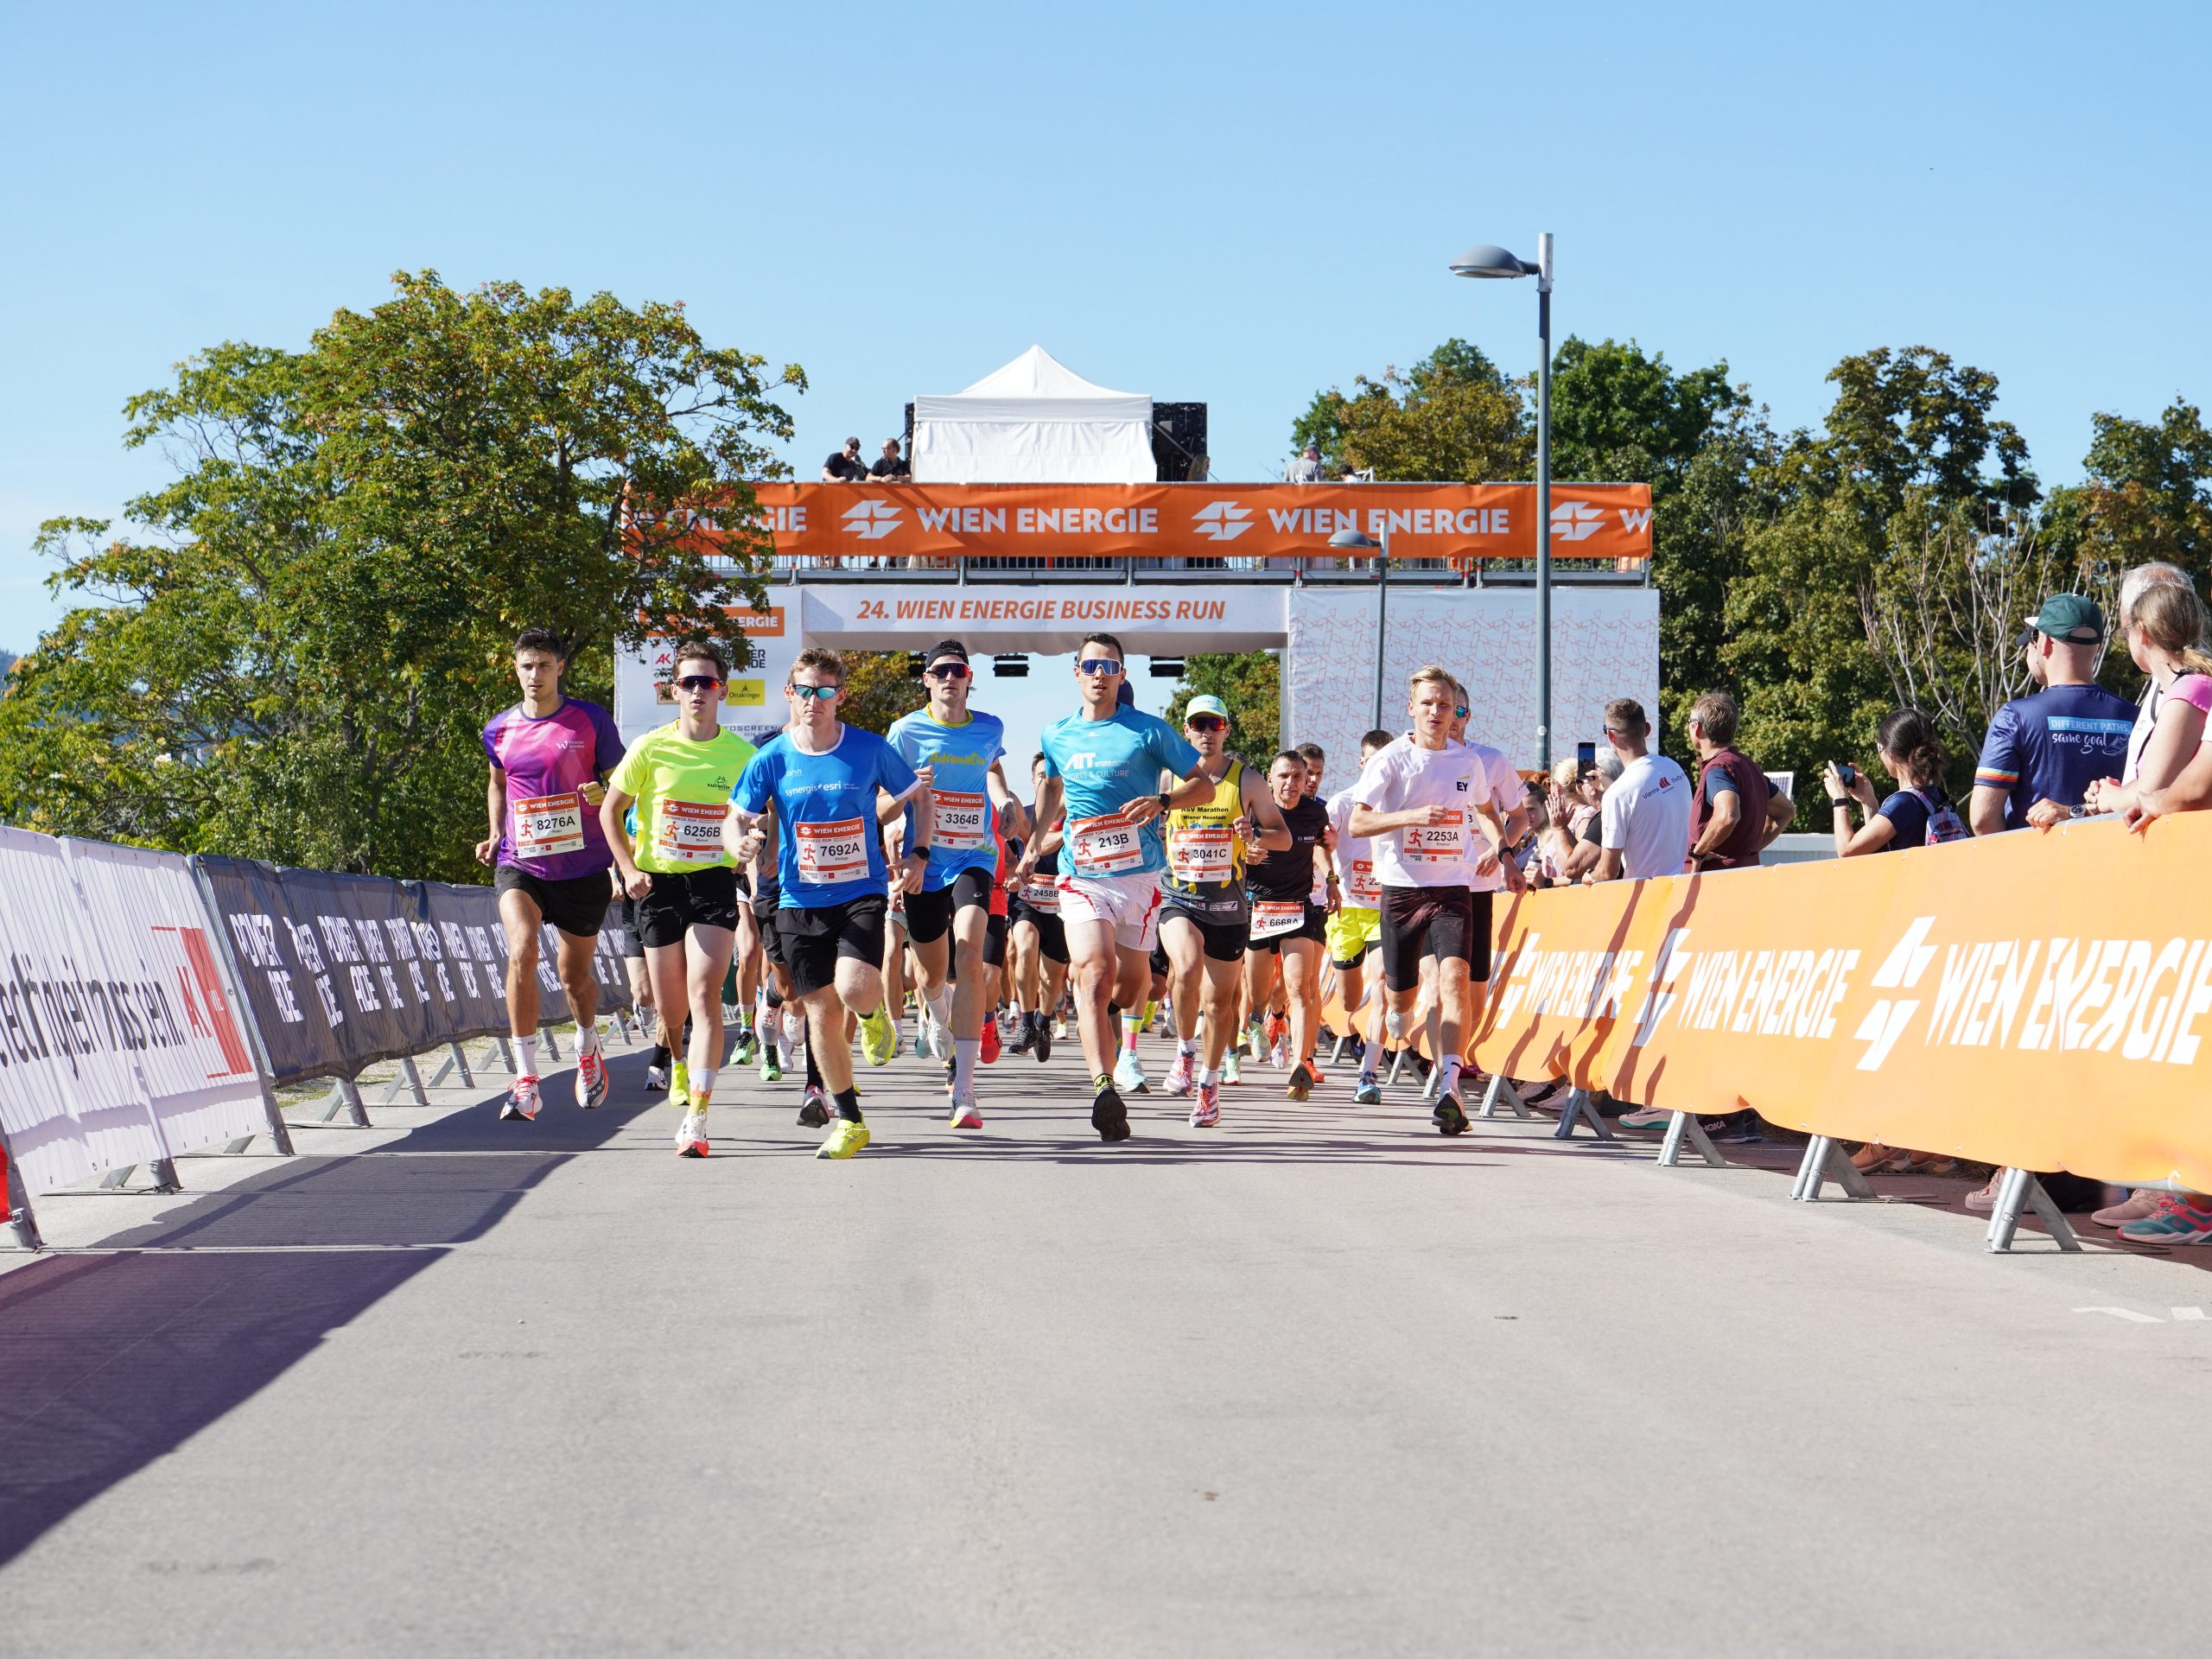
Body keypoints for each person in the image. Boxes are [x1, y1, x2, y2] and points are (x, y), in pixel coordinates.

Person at [728, 647, 928, 1159]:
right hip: (797, 898)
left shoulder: (869, 748)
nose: (812, 700)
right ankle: (850, 1120)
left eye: (823, 691)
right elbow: (735, 818)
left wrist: (919, 853)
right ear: (789, 694)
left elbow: (918, 796)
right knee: (819, 1011)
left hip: (859, 891)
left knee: (853, 988)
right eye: (803, 690)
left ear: (840, 696)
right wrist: (739, 845)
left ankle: (873, 1014)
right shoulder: (771, 757)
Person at [1014, 635, 1217, 1142]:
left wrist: (1163, 803)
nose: (1099, 674)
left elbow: (1204, 785)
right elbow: (1052, 788)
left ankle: (1106, 1020)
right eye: (1090, 666)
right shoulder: (1057, 734)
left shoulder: (1149, 731)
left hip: (1140, 877)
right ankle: (1104, 1088)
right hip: (1082, 873)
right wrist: (1033, 846)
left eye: (1109, 666)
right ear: (1077, 672)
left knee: (1131, 989)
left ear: (1122, 673)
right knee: (1094, 972)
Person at [600, 644, 756, 1157]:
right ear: (674, 691)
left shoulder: (742, 755)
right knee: (669, 1006)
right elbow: (609, 811)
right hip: (658, 885)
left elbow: (762, 814)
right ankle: (679, 1059)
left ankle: (698, 1118)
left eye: (706, 682)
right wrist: (628, 870)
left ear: (722, 690)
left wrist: (752, 846)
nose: (697, 691)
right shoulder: (650, 747)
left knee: (705, 994)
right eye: (688, 682)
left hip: (713, 882)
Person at [1347, 665, 1516, 1133]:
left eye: (1446, 705)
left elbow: (1486, 811)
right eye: (1428, 703)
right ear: (1411, 708)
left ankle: (1450, 1088)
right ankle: (1398, 1014)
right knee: (1401, 999)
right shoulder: (1391, 760)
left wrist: (1504, 852)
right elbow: (1358, 823)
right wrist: (1411, 817)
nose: (1437, 712)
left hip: (1453, 888)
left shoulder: (1468, 761)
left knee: (1455, 980)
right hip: (1402, 891)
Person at [1801, 709, 1969, 1173]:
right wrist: (1870, 801)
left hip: (1905, 938)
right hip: (1938, 932)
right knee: (1921, 1042)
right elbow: (1890, 849)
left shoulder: (1905, 804)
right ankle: (1931, 1144)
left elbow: (1850, 851)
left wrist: (1840, 801)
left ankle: (1884, 1140)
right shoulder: (1935, 798)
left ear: (1889, 754)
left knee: (1885, 1042)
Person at [475, 627, 626, 1122]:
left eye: (543, 665)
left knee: (574, 977)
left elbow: (624, 786)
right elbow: (498, 784)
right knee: (522, 948)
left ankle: (587, 1044)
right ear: (515, 669)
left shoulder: (590, 719)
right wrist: (495, 832)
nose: (534, 674)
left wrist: (604, 795)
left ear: (560, 668)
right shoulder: (499, 729)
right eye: (526, 666)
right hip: (521, 863)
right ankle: (526, 1078)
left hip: (583, 867)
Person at [887, 639, 1020, 1129]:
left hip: (974, 856)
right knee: (930, 974)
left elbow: (993, 770)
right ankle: (935, 1009)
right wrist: (907, 791)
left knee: (969, 956)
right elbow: (881, 797)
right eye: (940, 671)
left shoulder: (989, 728)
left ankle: (964, 1090)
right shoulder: (905, 731)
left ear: (969, 678)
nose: (949, 678)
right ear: (926, 679)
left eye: (958, 670)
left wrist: (1004, 801)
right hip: (924, 862)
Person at [1156, 696, 1290, 1125]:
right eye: (1198, 724)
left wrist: (1255, 836)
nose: (1206, 732)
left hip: (1228, 904)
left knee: (1218, 1003)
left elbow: (1283, 836)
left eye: (1215, 725)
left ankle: (1209, 1086)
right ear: (1186, 730)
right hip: (1179, 896)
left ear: (1226, 730)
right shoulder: (1168, 776)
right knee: (1186, 966)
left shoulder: (1246, 780)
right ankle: (1184, 1052)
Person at [1970, 594, 2135, 834]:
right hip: (2118, 852)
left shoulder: (2014, 717)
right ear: (2098, 647)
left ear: (2044, 643)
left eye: (2032, 639)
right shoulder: (2136, 716)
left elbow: (1982, 820)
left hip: (2038, 855)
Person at [1243, 751, 1332, 1101]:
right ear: (1270, 779)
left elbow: (1323, 845)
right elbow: (1231, 852)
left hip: (1298, 906)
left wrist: (1332, 878)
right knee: (1259, 993)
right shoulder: (1253, 810)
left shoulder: (1315, 812)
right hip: (1259, 907)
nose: (1291, 783)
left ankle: (1300, 1065)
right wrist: (1244, 855)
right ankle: (1258, 1017)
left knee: (1300, 987)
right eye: (1284, 776)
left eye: (1298, 776)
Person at [1326, 730, 1392, 1099]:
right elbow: (1319, 847)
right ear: (1362, 762)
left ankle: (1369, 1074)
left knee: (1381, 985)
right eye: (1372, 761)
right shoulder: (1341, 803)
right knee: (1350, 1001)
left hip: (1385, 908)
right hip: (1348, 910)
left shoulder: (1399, 803)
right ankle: (1360, 1025)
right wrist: (1330, 877)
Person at [1685, 690, 1794, 870]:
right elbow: (1786, 811)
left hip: (1718, 880)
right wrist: (1748, 850)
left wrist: (1698, 852)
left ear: (1697, 727)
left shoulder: (1718, 770)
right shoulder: (1749, 767)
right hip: (1746, 875)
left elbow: (1728, 816)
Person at [1006, 753, 1069, 1062]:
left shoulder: (1076, 816)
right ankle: (1027, 1023)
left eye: (1053, 775)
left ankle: (1043, 1023)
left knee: (1052, 975)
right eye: (1041, 775)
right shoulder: (1024, 816)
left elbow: (1050, 843)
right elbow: (1013, 854)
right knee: (1025, 947)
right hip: (1027, 899)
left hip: (1062, 903)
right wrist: (1009, 877)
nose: (1047, 780)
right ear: (1033, 781)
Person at [1593, 699, 1693, 883]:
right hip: (1686, 884)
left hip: (1649, 894)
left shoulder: (1617, 794)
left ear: (1611, 736)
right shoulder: (1674, 767)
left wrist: (1587, 877)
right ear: (1647, 729)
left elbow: (1607, 872)